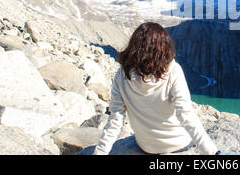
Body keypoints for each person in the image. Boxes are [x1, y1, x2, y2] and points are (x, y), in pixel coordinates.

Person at [93, 22, 219, 155]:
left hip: (147, 147)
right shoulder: (172, 71)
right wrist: (213, 152)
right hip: (179, 143)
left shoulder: (122, 74)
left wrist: (99, 152)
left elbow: (115, 119)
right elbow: (186, 115)